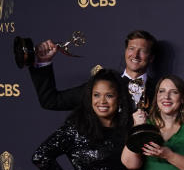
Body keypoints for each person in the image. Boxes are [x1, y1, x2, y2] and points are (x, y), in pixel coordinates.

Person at [29, 30, 158, 112]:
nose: (135, 55)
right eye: (131, 49)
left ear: (151, 58)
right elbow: (51, 101)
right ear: (125, 52)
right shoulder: (102, 85)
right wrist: (43, 62)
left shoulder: (160, 90)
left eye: (143, 51)